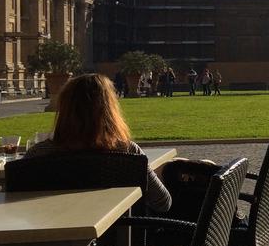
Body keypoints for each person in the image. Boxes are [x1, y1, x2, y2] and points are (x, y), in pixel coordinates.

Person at [24, 73, 172, 212]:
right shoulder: (127, 152)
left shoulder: (38, 154)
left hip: (55, 232)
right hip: (119, 235)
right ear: (109, 110)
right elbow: (163, 203)